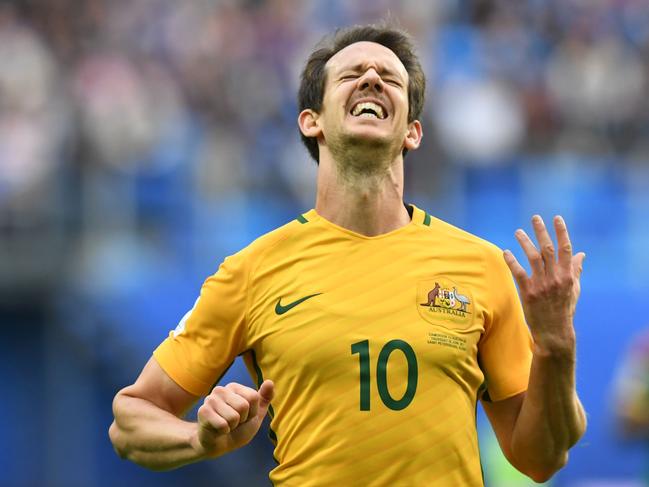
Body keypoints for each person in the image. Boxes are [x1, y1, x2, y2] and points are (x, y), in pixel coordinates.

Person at [109, 24, 587, 485]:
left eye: (390, 77)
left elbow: (540, 460)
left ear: (412, 132)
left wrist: (556, 346)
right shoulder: (252, 271)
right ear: (311, 120)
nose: (372, 78)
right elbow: (131, 419)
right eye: (351, 73)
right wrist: (200, 440)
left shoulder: (480, 267)